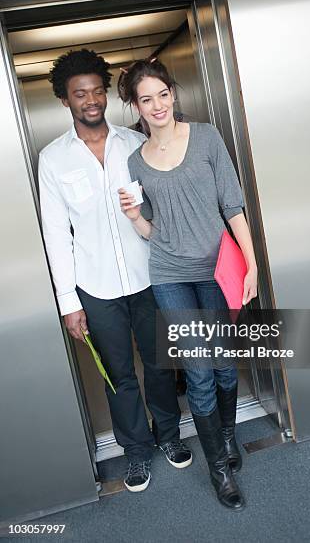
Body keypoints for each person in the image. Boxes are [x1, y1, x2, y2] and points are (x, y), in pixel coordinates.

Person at [38, 49, 192, 494]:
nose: (90, 100)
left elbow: (163, 209)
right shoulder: (54, 159)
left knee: (161, 364)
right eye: (79, 93)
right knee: (118, 376)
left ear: (106, 94)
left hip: (150, 278)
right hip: (96, 288)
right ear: (65, 100)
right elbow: (56, 236)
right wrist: (69, 303)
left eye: (96, 91)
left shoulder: (135, 144)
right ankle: (136, 452)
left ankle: (169, 438)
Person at [118, 59, 258, 511]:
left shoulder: (207, 137)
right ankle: (219, 468)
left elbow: (233, 205)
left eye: (162, 94)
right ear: (135, 106)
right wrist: (136, 217)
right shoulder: (135, 162)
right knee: (198, 373)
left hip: (219, 271)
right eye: (146, 99)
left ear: (172, 94)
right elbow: (152, 232)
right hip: (171, 275)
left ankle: (229, 436)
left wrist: (252, 265)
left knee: (222, 365)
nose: (157, 105)